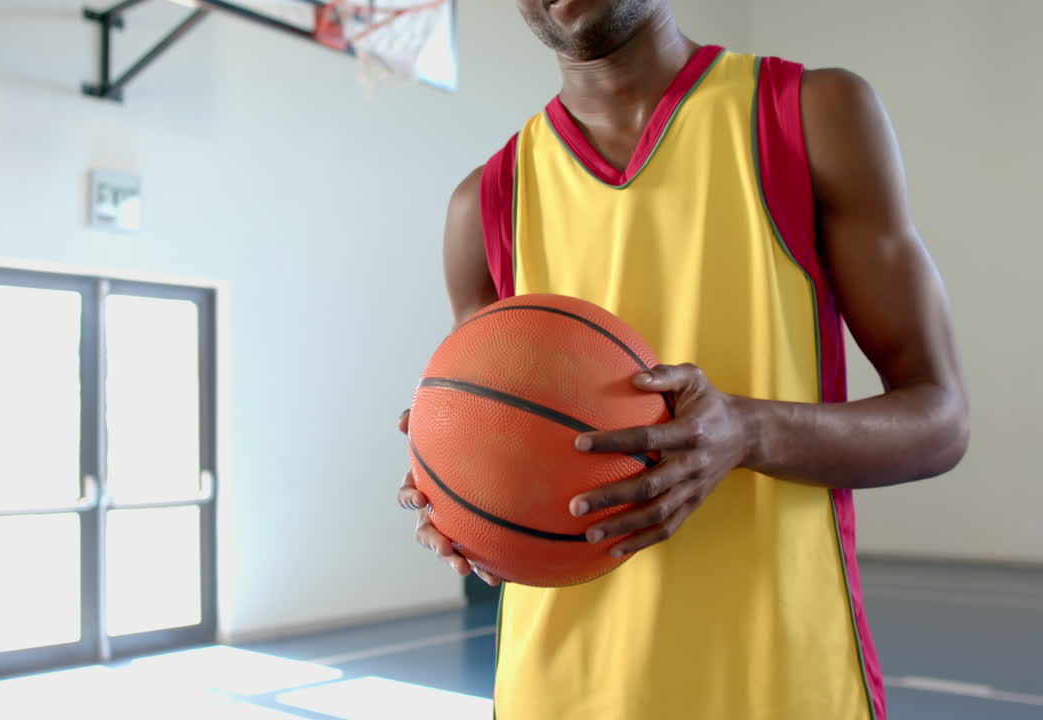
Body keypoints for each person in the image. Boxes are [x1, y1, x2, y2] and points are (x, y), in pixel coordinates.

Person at [395, 1, 970, 717]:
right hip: (559, 694)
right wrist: (456, 497)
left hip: (780, 683)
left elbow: (941, 420)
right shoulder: (484, 205)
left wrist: (748, 432)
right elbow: (493, 447)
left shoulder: (808, 115)